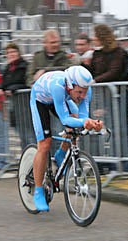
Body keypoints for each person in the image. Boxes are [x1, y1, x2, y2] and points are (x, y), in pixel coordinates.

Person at [30, 66, 103, 211]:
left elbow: (82, 118)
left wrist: (91, 124)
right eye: (80, 92)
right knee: (45, 144)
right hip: (40, 101)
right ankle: (38, 191)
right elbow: (64, 119)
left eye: (85, 92)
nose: (82, 96)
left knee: (75, 126)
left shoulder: (85, 89)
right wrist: (85, 122)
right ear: (69, 86)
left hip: (61, 99)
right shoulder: (58, 86)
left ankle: (61, 154)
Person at [88, 24, 128, 173]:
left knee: (121, 129)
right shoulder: (96, 54)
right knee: (106, 130)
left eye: (95, 35)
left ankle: (127, 165)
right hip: (103, 97)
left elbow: (114, 71)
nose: (92, 38)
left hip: (118, 95)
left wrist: (95, 81)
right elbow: (92, 71)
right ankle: (111, 164)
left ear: (101, 37)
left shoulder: (119, 53)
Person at [0, 42, 32, 150]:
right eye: (8, 52)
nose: (11, 54)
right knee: (20, 133)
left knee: (28, 134)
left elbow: (26, 83)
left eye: (13, 51)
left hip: (25, 105)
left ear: (19, 53)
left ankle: (34, 158)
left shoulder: (24, 66)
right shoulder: (8, 68)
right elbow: (4, 82)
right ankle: (26, 157)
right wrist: (0, 88)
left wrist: (13, 88)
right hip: (14, 105)